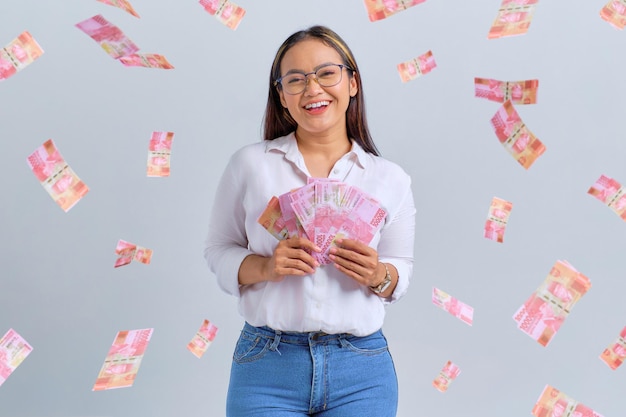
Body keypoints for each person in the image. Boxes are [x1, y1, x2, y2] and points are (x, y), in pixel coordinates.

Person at [204, 25, 416, 417]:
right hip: (267, 364)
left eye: (326, 73)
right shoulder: (250, 165)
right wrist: (265, 267)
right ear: (282, 96)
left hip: (361, 370)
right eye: (296, 80)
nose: (313, 89)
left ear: (352, 82)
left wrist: (378, 274)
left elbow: (400, 270)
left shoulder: (391, 179)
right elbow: (218, 249)